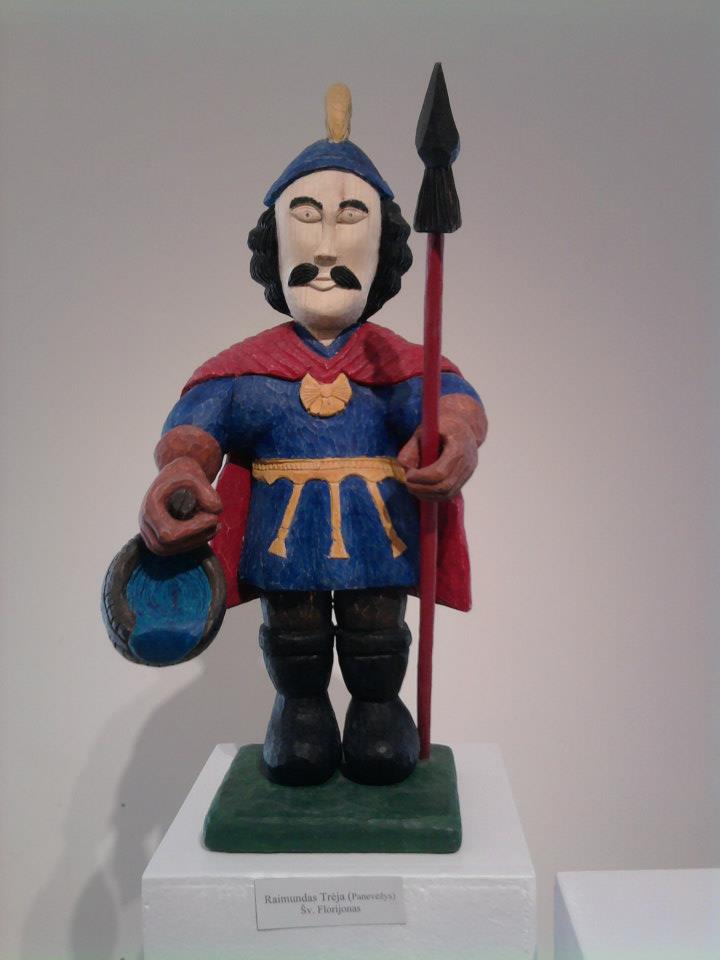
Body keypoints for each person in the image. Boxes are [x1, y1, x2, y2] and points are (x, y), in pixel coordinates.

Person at [138, 85, 487, 787]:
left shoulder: (397, 362)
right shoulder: (245, 369)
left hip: (378, 535)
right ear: (275, 242)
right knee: (293, 639)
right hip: (284, 542)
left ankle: (378, 714)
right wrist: (181, 472)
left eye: (350, 218)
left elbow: (452, 403)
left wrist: (454, 438)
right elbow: (195, 431)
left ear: (385, 248)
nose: (326, 248)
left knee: (376, 635)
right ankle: (301, 716)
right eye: (306, 217)